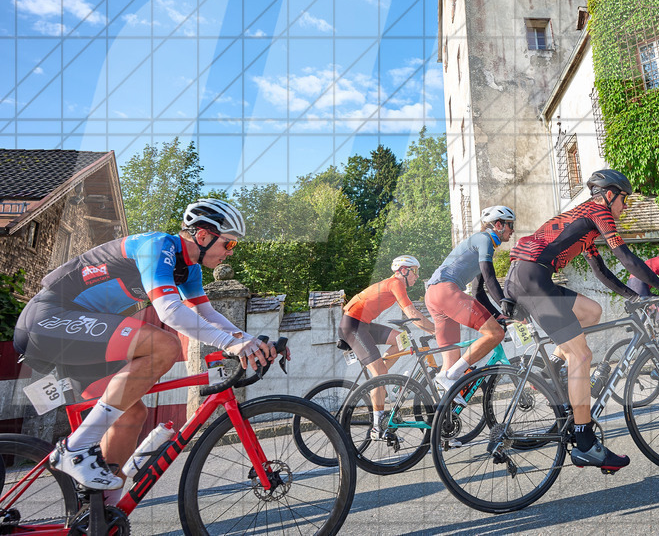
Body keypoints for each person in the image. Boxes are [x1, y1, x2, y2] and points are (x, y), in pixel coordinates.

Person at [13, 199, 275, 491]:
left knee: (131, 415)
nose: (231, 252)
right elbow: (169, 311)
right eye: (229, 244)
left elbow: (207, 314)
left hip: (83, 332)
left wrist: (249, 341)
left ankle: (100, 507)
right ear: (203, 236)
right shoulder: (157, 246)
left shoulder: (189, 270)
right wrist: (230, 344)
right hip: (48, 319)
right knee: (164, 345)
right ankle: (75, 448)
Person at [505, 169, 659, 472]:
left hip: (526, 275)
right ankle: (585, 442)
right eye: (624, 199)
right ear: (610, 194)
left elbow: (602, 272)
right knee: (583, 356)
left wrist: (634, 296)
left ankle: (554, 366)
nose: (625, 206)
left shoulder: (583, 223)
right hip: (532, 277)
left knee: (591, 311)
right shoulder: (598, 212)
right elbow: (626, 258)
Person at [338, 256, 435, 436]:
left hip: (362, 324)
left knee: (402, 339)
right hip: (353, 326)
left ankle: (381, 379)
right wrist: (435, 330)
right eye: (415, 271)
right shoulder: (396, 283)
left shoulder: (394, 284)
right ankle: (377, 426)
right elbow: (411, 312)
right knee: (379, 375)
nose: (417, 275)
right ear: (404, 270)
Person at [425, 205, 515, 398]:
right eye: (510, 225)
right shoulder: (484, 239)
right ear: (498, 225)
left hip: (433, 295)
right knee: (495, 334)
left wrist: (498, 314)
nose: (513, 230)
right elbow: (490, 278)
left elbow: (478, 291)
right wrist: (506, 306)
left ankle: (443, 411)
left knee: (450, 362)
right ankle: (451, 376)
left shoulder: (480, 244)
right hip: (446, 291)